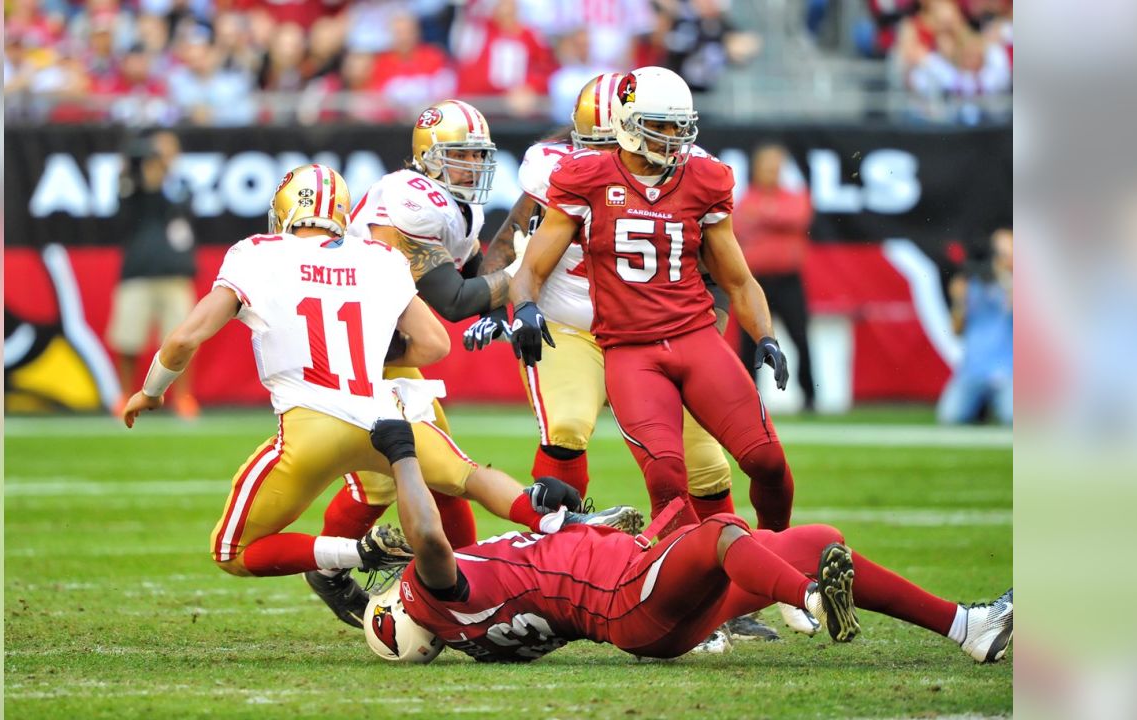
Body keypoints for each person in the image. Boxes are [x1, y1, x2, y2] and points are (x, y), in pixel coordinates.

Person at [121, 164, 638, 622]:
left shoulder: (256, 253)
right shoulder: (377, 257)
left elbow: (186, 336)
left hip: (309, 427)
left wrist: (151, 391)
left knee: (231, 550)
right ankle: (556, 518)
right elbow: (435, 345)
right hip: (386, 420)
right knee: (469, 477)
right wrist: (365, 358)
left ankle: (356, 554)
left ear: (282, 214)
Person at [468, 73, 796, 642]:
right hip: (576, 327)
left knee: (720, 466)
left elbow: (728, 273)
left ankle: (747, 582)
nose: (609, 157)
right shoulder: (564, 171)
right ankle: (558, 571)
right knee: (572, 428)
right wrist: (508, 308)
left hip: (668, 332)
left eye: (675, 130)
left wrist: (751, 331)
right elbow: (519, 248)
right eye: (596, 144)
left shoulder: (699, 173)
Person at [362, 419, 1014, 665]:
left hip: (641, 608)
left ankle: (968, 627)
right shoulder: (435, 597)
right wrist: (401, 453)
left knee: (819, 538)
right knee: (721, 532)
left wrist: (575, 522)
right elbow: (431, 543)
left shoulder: (476, 634)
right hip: (628, 601)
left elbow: (546, 574)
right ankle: (805, 598)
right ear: (401, 610)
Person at [309, 99, 523, 619]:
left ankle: (459, 577)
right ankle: (336, 567)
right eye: (462, 156)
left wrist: (514, 261)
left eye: (479, 156)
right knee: (427, 470)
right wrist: (524, 273)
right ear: (429, 157)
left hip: (388, 347)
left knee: (437, 469)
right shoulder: (409, 200)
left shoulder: (453, 204)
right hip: (362, 351)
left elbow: (473, 275)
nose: (474, 167)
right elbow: (453, 301)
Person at [106, 128, 199, 420]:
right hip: (138, 272)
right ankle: (123, 395)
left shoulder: (182, 185)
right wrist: (140, 180)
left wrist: (161, 181)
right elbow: (122, 217)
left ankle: (183, 398)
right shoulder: (130, 184)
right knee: (129, 340)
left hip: (174, 272)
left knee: (182, 341)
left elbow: (181, 213)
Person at [733, 142, 818, 412]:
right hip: (756, 281)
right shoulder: (747, 198)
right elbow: (739, 224)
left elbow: (798, 217)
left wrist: (764, 217)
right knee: (749, 340)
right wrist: (773, 218)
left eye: (776, 166)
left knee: (800, 337)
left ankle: (810, 396)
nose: (772, 172)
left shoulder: (792, 196)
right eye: (767, 166)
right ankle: (749, 397)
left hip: (788, 280)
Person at [938, 228, 1012, 424]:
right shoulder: (972, 284)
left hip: (1007, 370)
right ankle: (981, 408)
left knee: (1012, 417)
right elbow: (956, 330)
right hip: (974, 369)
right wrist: (959, 303)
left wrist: (1006, 278)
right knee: (950, 417)